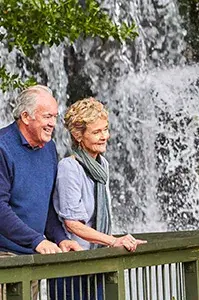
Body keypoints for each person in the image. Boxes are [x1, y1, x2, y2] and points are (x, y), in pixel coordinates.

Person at [50, 97, 147, 299]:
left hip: (98, 258)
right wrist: (113, 241)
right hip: (74, 263)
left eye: (105, 129)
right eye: (96, 132)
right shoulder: (70, 168)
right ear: (78, 136)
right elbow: (72, 224)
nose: (104, 136)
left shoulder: (102, 165)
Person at [0, 85, 83, 255]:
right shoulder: (3, 147)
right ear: (25, 116)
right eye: (47, 116)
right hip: (5, 257)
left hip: (33, 255)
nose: (52, 123)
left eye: (54, 116)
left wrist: (61, 238)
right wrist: (36, 240)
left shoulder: (49, 148)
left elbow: (47, 205)